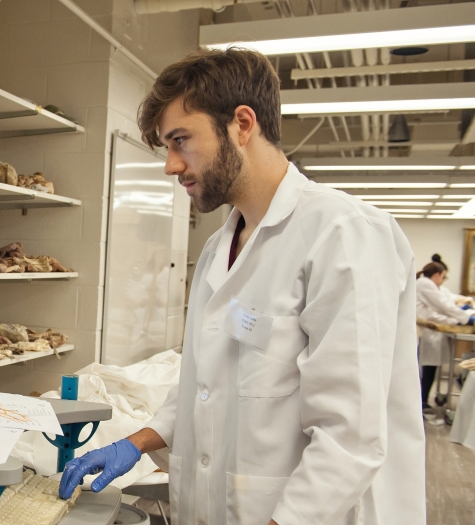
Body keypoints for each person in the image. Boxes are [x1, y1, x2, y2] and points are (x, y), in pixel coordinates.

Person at [59, 48, 426, 525]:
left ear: (242, 124)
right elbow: (204, 387)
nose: (171, 165)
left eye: (180, 141)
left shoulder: (343, 234)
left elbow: (349, 437)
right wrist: (138, 442)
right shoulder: (218, 248)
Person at [416, 256, 474, 410]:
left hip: (428, 330)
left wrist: (460, 318)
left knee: (428, 369)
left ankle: (422, 402)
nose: (442, 280)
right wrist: (466, 318)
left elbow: (438, 310)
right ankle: (421, 403)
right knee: (423, 370)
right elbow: (442, 306)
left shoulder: (427, 285)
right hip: (423, 332)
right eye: (443, 277)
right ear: (436, 275)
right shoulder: (425, 284)